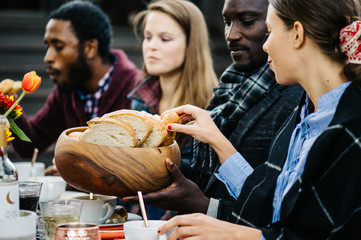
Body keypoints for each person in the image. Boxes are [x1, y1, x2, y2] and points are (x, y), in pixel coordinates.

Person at [157, 0, 361, 238]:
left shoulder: (352, 129)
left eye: (271, 31)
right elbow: (272, 205)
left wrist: (239, 235)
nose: (266, 46)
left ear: (297, 34)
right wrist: (215, 139)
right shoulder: (304, 112)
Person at [123, 0, 303, 217]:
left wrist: (203, 205)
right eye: (227, 22)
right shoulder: (230, 89)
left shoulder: (294, 98)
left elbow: (274, 208)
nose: (231, 34)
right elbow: (209, 175)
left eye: (247, 21)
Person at [10, 1, 141, 160]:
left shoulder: (137, 88)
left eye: (58, 46)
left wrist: (76, 169)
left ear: (90, 48)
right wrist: (9, 107)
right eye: (48, 47)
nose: (47, 58)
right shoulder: (67, 89)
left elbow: (135, 162)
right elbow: (31, 145)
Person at [126, 0, 219, 219]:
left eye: (165, 38)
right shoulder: (140, 100)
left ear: (191, 44)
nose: (152, 46)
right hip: (135, 221)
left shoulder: (212, 106)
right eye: (148, 37)